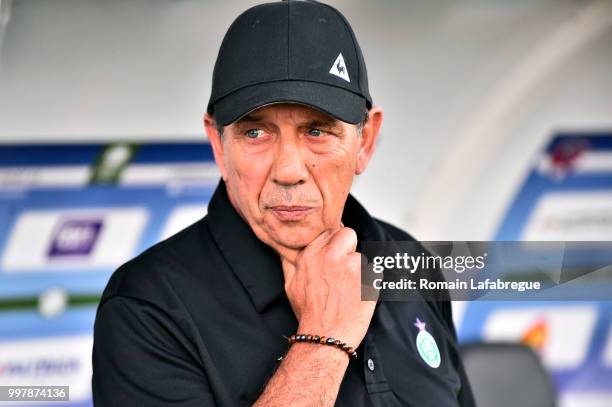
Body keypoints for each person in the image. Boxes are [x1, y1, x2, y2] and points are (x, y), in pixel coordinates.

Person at [92, 1, 475, 406]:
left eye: (317, 130)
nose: (289, 170)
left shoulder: (410, 263)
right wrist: (325, 336)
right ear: (218, 144)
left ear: (365, 141)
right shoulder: (148, 306)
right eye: (256, 132)